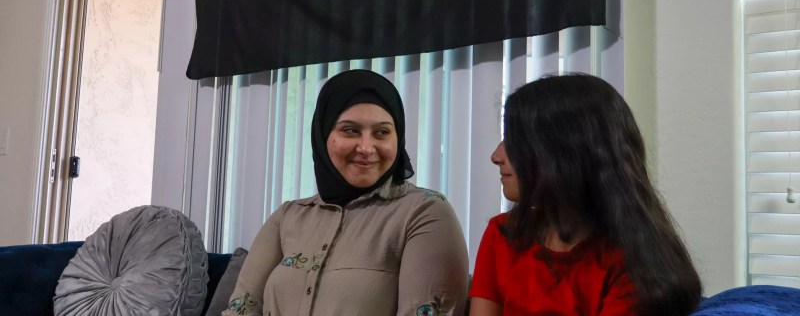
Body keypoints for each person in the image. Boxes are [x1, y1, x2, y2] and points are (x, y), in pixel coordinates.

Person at [223, 69, 469, 316]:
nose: (366, 147)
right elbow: (241, 309)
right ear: (323, 135)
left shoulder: (423, 212)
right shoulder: (288, 216)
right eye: (350, 130)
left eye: (382, 132)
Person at [469, 74, 703, 316]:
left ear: (566, 153)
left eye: (515, 142)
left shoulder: (634, 266)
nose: (496, 156)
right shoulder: (502, 235)